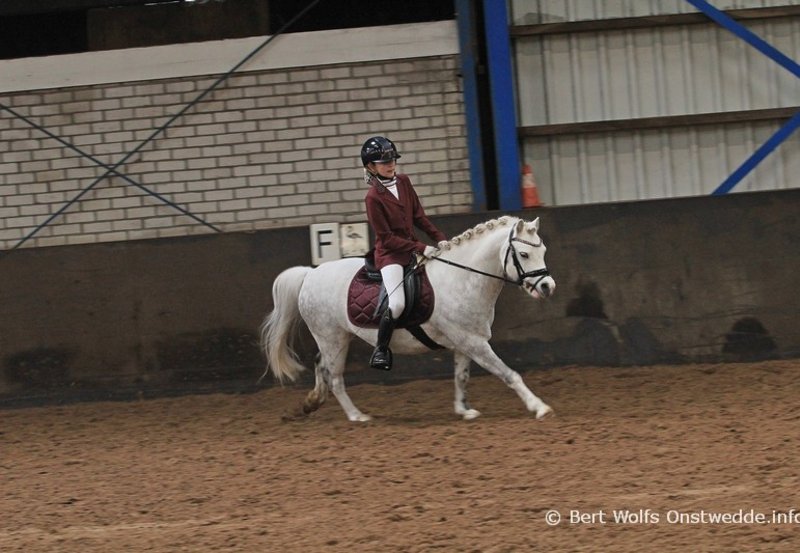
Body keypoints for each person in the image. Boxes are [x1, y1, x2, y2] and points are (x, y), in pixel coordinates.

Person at [361, 136, 448, 371]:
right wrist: (422, 247)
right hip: (390, 255)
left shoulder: (404, 182)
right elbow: (387, 237)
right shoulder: (372, 198)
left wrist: (439, 238)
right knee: (397, 303)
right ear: (371, 167)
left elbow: (419, 216)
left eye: (392, 160)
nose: (390, 165)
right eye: (383, 162)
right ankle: (381, 349)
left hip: (412, 247)